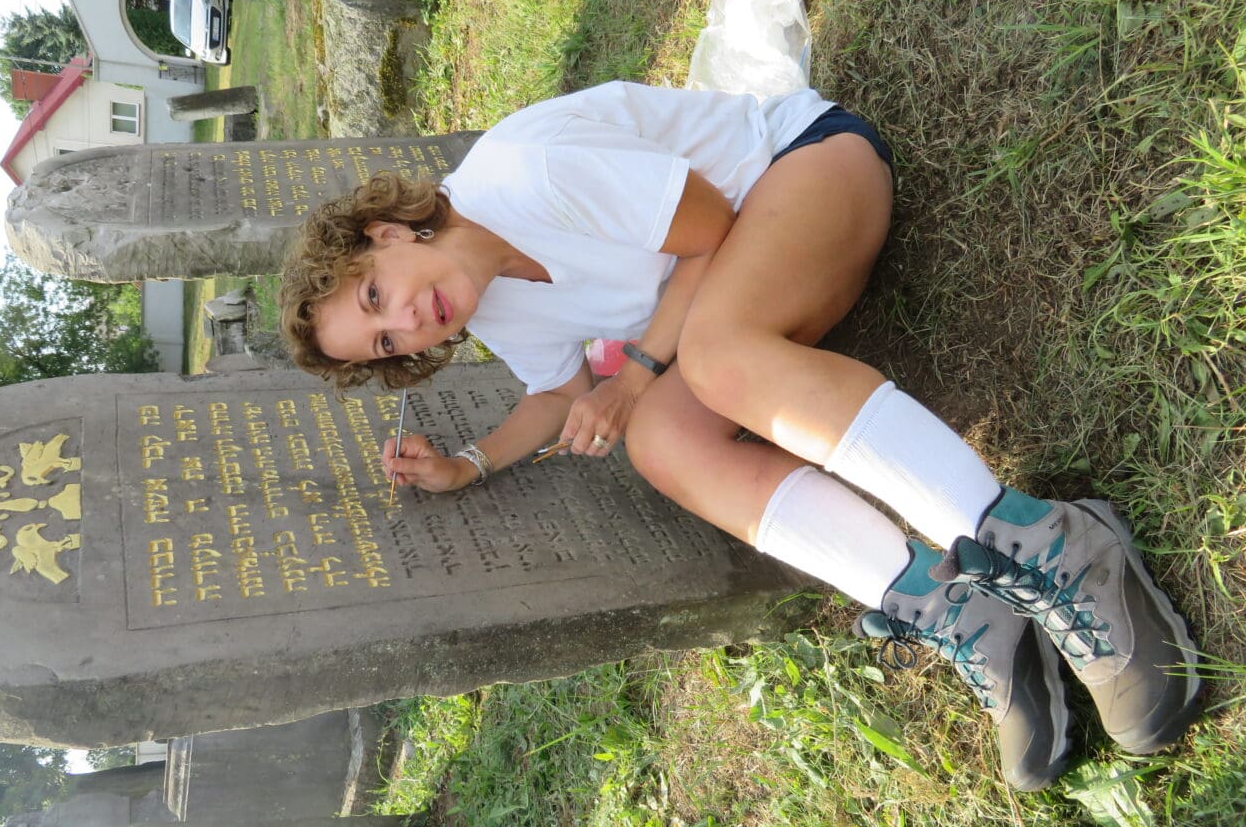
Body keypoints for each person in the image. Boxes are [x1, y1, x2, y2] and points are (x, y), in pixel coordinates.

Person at [278, 80, 1203, 791]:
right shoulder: (492, 309)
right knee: (661, 446)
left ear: (388, 233)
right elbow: (560, 397)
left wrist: (638, 370)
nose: (408, 320)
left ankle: (1048, 544)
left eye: (374, 297)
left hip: (808, 171)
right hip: (737, 306)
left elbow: (713, 230)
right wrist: (466, 466)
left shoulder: (524, 174)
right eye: (389, 341)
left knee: (706, 363)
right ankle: (954, 605)